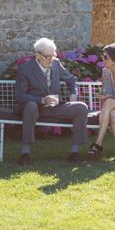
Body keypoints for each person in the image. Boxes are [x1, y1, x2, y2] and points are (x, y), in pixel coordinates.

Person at [15, 37, 88, 165]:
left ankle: (75, 152)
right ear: (38, 55)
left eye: (52, 56)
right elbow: (20, 96)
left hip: (54, 107)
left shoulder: (56, 63)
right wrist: (41, 100)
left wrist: (73, 93)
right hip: (34, 108)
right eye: (47, 56)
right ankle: (25, 153)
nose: (50, 59)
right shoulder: (25, 68)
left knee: (81, 107)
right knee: (31, 105)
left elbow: (72, 80)